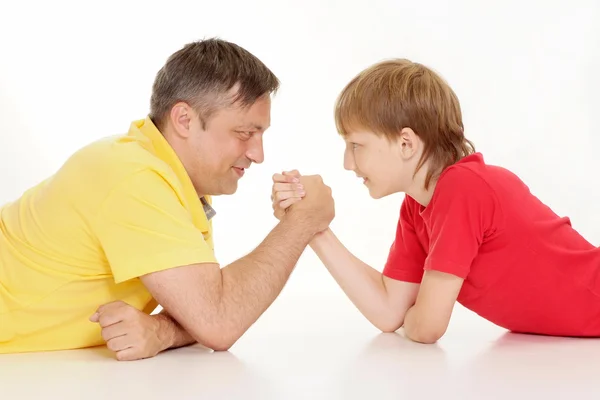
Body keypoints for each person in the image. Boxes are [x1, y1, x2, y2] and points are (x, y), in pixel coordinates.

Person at [0, 38, 334, 360]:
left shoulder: (172, 180)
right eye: (244, 133)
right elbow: (218, 318)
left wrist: (162, 330)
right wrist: (302, 221)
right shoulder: (134, 178)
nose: (258, 154)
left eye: (261, 134)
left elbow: (202, 306)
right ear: (184, 120)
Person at [272, 58, 600, 344]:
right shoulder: (417, 208)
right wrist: (312, 227)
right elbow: (389, 313)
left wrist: (413, 320)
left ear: (406, 143)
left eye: (356, 145)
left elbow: (426, 327)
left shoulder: (464, 188)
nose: (347, 162)